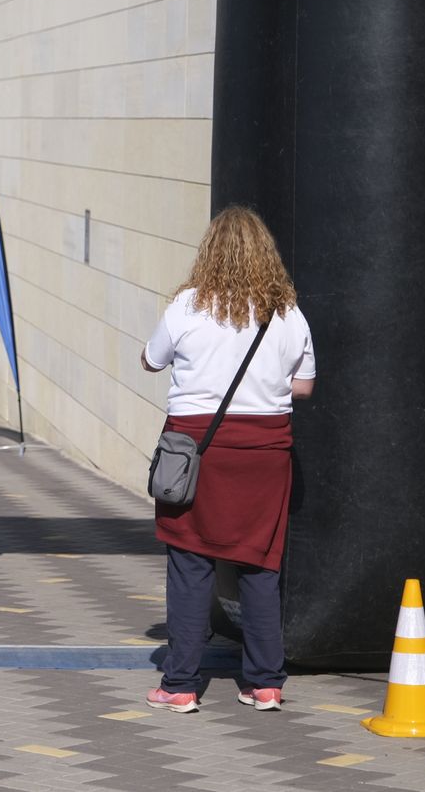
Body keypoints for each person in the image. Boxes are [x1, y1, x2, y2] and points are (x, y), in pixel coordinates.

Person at [140, 206, 315, 714]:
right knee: (261, 564)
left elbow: (151, 360)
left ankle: (180, 686)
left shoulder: (187, 306)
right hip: (265, 453)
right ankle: (264, 682)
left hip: (197, 450)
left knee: (190, 561)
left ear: (209, 251)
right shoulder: (288, 312)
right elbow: (303, 386)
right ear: (267, 253)